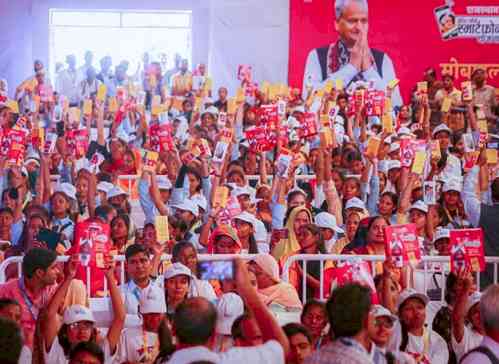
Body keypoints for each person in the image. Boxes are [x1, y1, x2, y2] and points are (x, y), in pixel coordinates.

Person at [164, 258, 290, 364]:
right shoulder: (232, 360)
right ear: (214, 335)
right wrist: (247, 289)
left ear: (173, 330)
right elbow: (281, 347)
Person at [302, 0, 402, 108]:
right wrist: (351, 67)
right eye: (352, 21)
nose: (359, 27)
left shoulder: (383, 59)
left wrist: (368, 70)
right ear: (337, 24)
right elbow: (309, 102)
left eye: (363, 21)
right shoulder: (317, 56)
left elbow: (397, 106)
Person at [0, 247, 59, 349]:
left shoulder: (53, 289)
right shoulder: (6, 291)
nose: (57, 271)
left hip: (44, 348)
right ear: (40, 273)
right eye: (53, 268)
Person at [305, 283, 373, 364]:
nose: (313, 321)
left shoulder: (311, 359)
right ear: (367, 319)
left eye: (319, 317)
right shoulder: (362, 361)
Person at [387, 289, 448, 363]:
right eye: (409, 308)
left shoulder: (438, 341)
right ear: (400, 315)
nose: (416, 312)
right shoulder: (393, 336)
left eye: (420, 307)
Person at [461, 284, 499, 364]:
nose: (478, 315)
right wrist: (465, 290)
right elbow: (457, 320)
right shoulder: (477, 359)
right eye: (475, 312)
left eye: (480, 311)